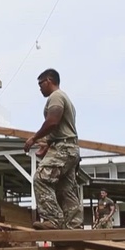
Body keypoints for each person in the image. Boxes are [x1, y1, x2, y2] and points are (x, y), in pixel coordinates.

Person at [24, 68, 81, 229]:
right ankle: (74, 228)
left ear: (49, 80)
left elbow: (52, 122)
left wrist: (34, 138)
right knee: (66, 189)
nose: (40, 88)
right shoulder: (65, 98)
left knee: (41, 179)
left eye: (40, 84)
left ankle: (53, 220)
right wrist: (48, 143)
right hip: (70, 148)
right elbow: (61, 128)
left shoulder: (56, 97)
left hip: (63, 148)